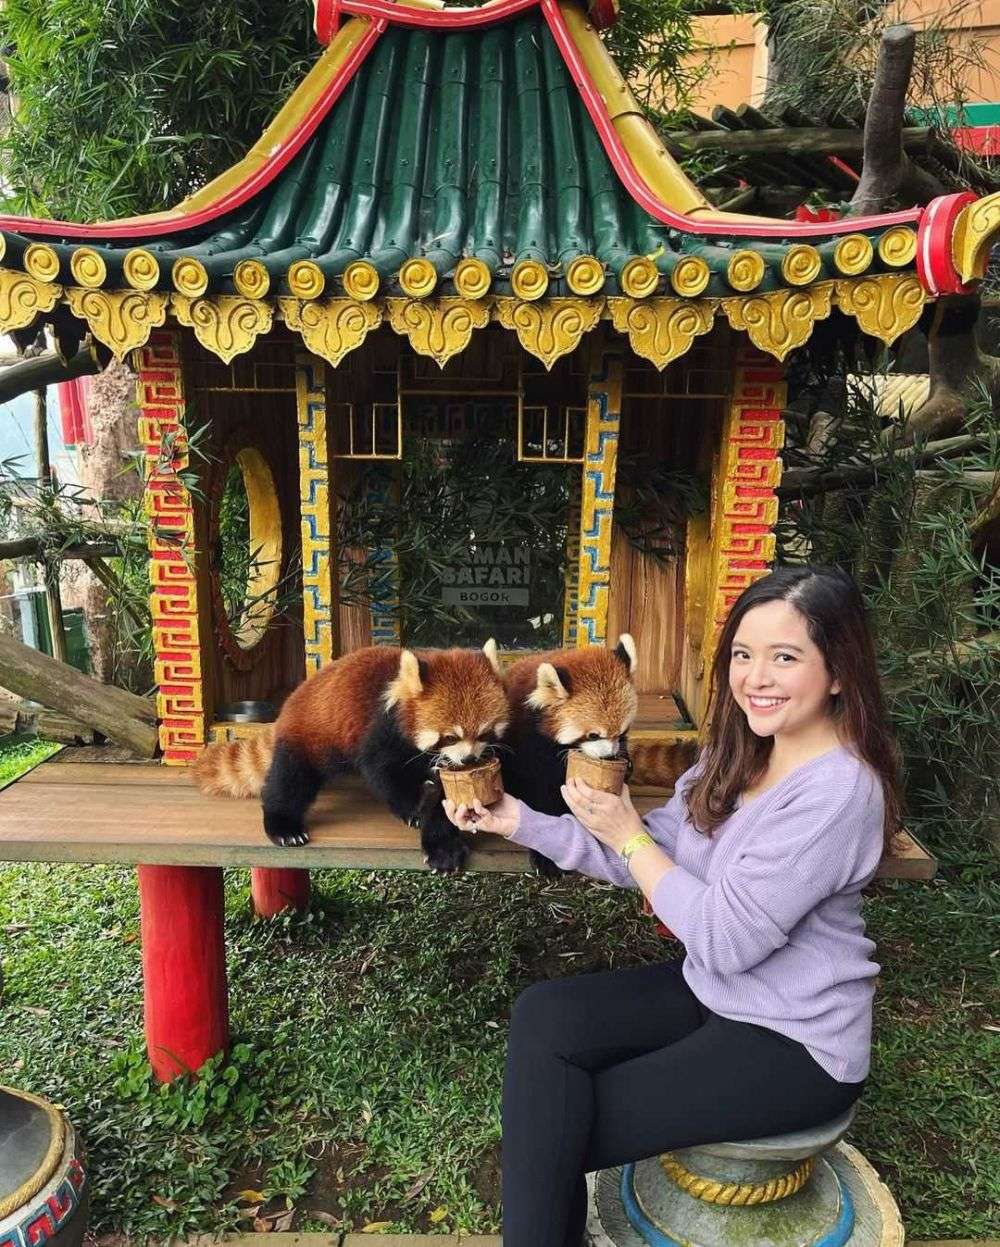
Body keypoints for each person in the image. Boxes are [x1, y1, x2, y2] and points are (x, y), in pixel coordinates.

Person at [443, 564, 902, 1247]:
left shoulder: (840, 791)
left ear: (838, 670)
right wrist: (517, 819)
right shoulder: (736, 751)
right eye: (744, 655)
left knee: (556, 1131)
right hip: (717, 991)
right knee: (544, 1015)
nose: (757, 677)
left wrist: (628, 836)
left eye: (786, 657)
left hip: (796, 1041)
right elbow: (650, 851)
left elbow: (720, 934)